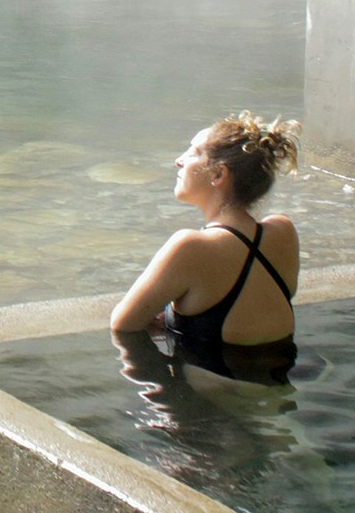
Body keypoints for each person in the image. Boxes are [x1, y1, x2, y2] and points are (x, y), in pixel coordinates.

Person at [110, 112, 303, 383]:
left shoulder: (190, 246)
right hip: (281, 385)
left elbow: (122, 325)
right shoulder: (283, 232)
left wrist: (166, 320)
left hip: (220, 401)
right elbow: (257, 308)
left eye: (193, 152)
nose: (179, 160)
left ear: (218, 174)